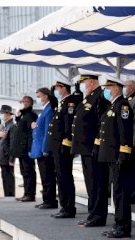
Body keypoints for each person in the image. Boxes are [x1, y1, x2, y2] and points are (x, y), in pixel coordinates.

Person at [97, 75, 134, 238]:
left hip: (118, 156)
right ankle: (118, 224)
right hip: (110, 156)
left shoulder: (123, 106)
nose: (105, 90)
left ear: (117, 88)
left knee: (121, 193)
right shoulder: (112, 105)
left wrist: (124, 153)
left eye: (108, 88)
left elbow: (125, 132)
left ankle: (123, 227)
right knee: (116, 192)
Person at [72, 71, 109, 227]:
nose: (83, 85)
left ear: (92, 82)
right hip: (86, 149)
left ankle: (98, 216)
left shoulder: (100, 98)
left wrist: (97, 144)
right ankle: (92, 213)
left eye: (85, 82)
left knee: (97, 183)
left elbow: (102, 124)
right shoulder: (89, 98)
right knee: (90, 183)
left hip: (94, 148)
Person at [47, 76, 81, 218]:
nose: (55, 90)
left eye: (57, 88)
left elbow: (68, 125)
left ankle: (68, 207)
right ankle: (64, 206)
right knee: (60, 176)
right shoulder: (62, 103)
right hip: (57, 146)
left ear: (63, 88)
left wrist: (66, 144)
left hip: (63, 146)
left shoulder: (70, 103)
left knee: (65, 176)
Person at [30, 88, 58, 209]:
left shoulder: (49, 110)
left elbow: (48, 131)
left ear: (46, 96)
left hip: (44, 149)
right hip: (39, 148)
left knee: (48, 176)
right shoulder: (44, 109)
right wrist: (34, 126)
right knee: (44, 176)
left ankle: (50, 200)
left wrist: (46, 149)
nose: (38, 98)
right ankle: (46, 199)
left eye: (39, 96)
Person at [11, 96, 38, 201]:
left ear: (30, 103)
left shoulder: (31, 115)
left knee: (29, 171)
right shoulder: (23, 115)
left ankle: (31, 194)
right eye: (22, 101)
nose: (24, 103)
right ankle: (26, 193)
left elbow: (31, 133)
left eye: (26, 101)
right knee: (24, 172)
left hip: (26, 148)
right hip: (21, 149)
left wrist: (30, 148)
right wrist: (18, 117)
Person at [0, 105, 16, 196]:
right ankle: (7, 194)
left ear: (8, 114)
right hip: (1, 155)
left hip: (7, 155)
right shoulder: (3, 125)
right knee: (4, 176)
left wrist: (11, 159)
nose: (1, 115)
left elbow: (13, 143)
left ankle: (10, 194)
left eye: (2, 113)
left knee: (9, 176)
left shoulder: (12, 125)